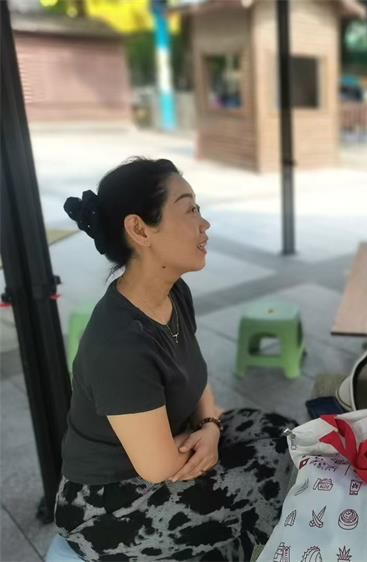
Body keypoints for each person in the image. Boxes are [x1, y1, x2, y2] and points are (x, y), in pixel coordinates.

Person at [56, 158, 295, 560]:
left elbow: (197, 375)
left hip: (180, 442)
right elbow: (158, 466)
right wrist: (210, 436)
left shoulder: (173, 293)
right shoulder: (120, 344)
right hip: (110, 503)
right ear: (139, 230)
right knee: (268, 480)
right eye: (189, 209)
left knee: (286, 436)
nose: (204, 224)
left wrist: (211, 426)